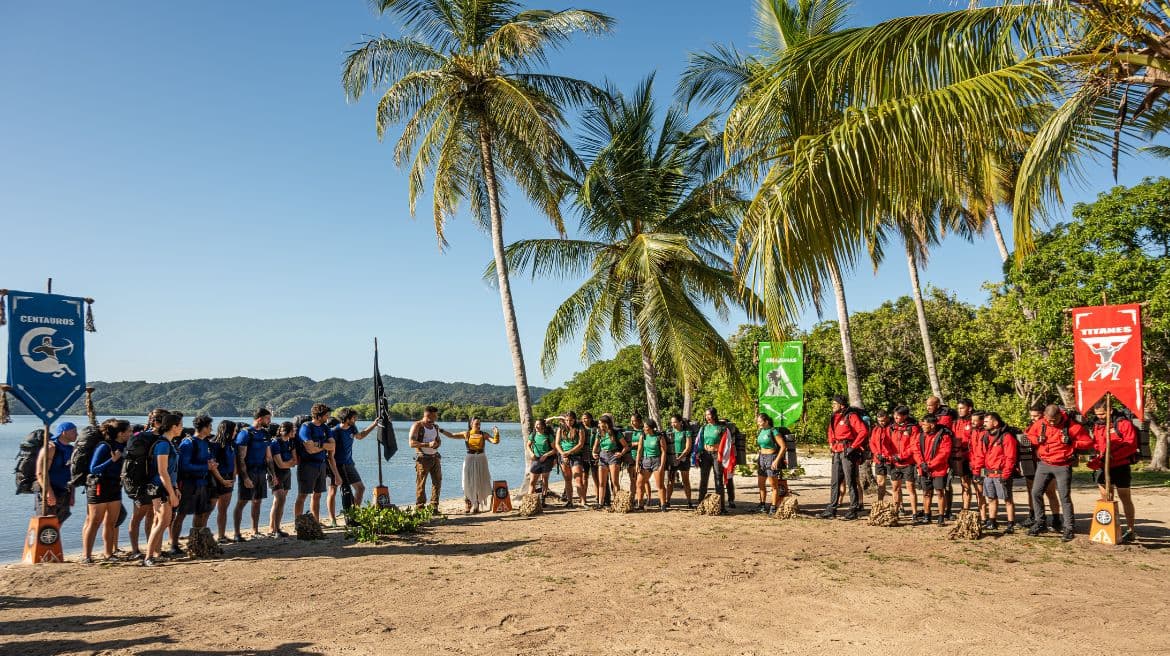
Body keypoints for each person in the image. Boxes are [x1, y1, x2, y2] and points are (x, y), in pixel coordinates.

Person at [1027, 405, 1093, 541]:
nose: (1051, 423)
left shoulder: (1072, 426)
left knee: (1064, 497)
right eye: (1049, 420)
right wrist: (1037, 440)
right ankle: (1040, 522)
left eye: (1054, 420)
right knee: (1035, 492)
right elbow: (1030, 435)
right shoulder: (1040, 423)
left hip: (1063, 465)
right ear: (1044, 416)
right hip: (1044, 463)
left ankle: (1069, 527)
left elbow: (1088, 442)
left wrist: (1072, 442)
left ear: (1060, 415)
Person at [1088, 401, 1139, 544]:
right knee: (1106, 497)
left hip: (1121, 466)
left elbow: (1131, 445)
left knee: (1125, 497)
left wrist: (1112, 456)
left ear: (1110, 410)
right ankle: (1110, 527)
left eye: (1102, 414)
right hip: (1103, 467)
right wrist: (1097, 458)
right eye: (1097, 414)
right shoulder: (1097, 425)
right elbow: (1096, 444)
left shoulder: (1123, 424)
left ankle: (1131, 529)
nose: (1100, 417)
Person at [81, 419, 131, 563]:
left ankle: (108, 554)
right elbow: (93, 469)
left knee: (111, 522)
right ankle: (86, 556)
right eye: (129, 431)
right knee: (94, 522)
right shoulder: (104, 446)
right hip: (99, 487)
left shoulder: (124, 446)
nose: (131, 433)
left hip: (115, 486)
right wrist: (112, 460)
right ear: (120, 433)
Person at [171, 414, 216, 555]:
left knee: (201, 513)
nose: (211, 429)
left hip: (202, 483)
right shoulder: (188, 443)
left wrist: (212, 465)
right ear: (203, 428)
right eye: (209, 426)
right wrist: (205, 467)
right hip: (188, 484)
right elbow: (184, 466)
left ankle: (197, 542)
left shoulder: (205, 443)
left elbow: (208, 460)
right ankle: (174, 545)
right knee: (181, 514)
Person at [818, 396, 868, 520]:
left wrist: (853, 447)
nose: (832, 405)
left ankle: (853, 509)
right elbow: (830, 431)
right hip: (836, 451)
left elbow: (863, 431)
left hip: (848, 451)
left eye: (835, 403)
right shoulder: (834, 416)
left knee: (850, 481)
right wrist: (831, 444)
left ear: (842, 405)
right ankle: (831, 509)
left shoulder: (851, 416)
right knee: (835, 481)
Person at [125, 409, 166, 559]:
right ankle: (136, 550)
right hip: (143, 482)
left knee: (151, 516)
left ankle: (151, 548)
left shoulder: (159, 437)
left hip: (154, 482)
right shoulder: (142, 437)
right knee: (139, 516)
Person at [327, 408, 379, 524]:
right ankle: (333, 519)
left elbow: (360, 436)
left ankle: (353, 516)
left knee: (360, 488)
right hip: (336, 465)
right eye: (354, 418)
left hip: (349, 463)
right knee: (334, 491)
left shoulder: (352, 428)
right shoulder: (335, 432)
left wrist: (374, 424)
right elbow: (330, 455)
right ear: (347, 419)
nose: (356, 420)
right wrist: (335, 472)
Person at [144, 413, 182, 567]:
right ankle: (148, 557)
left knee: (162, 521)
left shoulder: (169, 443)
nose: (181, 428)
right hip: (159, 488)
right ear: (173, 426)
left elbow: (172, 470)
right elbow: (162, 471)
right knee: (162, 521)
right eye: (180, 425)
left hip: (167, 486)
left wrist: (175, 487)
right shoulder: (163, 445)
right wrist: (171, 493)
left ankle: (154, 553)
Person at [971, 412, 1019, 532]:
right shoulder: (985, 436)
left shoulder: (1007, 437)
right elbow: (980, 455)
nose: (984, 424)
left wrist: (1006, 475)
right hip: (988, 474)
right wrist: (977, 472)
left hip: (1001, 473)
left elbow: (1010, 458)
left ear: (995, 423)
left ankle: (1010, 524)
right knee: (991, 498)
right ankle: (992, 521)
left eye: (987, 421)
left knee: (1007, 499)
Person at [297, 404, 343, 521]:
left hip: (321, 464)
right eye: (326, 415)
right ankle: (298, 523)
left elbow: (332, 446)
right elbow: (310, 449)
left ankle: (316, 521)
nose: (328, 417)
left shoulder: (325, 427)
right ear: (318, 416)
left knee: (317, 495)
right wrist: (324, 446)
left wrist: (318, 444)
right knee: (303, 495)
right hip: (307, 465)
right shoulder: (306, 427)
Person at [446, 418, 499, 513]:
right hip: (470, 458)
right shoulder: (466, 434)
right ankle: (468, 503)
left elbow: (495, 441)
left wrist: (496, 433)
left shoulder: (483, 434)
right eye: (476, 424)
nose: (478, 425)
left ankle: (477, 504)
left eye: (479, 424)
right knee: (468, 481)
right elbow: (451, 435)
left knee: (479, 482)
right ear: (471, 424)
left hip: (481, 458)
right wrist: (440, 430)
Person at [1022, 403, 1062, 530]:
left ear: (1043, 415)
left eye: (1036, 416)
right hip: (1031, 461)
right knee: (1032, 491)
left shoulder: (1050, 426)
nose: (1033, 418)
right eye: (1031, 416)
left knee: (1050, 491)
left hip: (1046, 461)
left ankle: (1056, 519)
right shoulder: (1031, 426)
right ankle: (1034, 516)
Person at [234, 409, 272, 539]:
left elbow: (268, 457)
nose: (269, 421)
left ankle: (254, 531)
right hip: (249, 472)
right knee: (242, 502)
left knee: (257, 501)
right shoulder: (245, 434)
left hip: (261, 471)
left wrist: (272, 474)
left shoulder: (265, 434)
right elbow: (240, 458)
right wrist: (245, 478)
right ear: (260, 419)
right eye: (267, 418)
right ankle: (237, 533)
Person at [409, 405, 456, 510]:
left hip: (435, 457)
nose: (436, 418)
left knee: (437, 482)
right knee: (421, 483)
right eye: (434, 416)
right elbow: (411, 443)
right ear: (428, 414)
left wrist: (437, 444)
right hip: (422, 458)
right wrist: (428, 444)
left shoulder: (435, 427)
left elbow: (438, 440)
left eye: (436, 415)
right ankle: (420, 507)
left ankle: (434, 506)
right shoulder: (417, 425)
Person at [33, 421, 78, 529]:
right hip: (48, 490)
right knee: (46, 525)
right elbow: (40, 472)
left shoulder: (71, 450)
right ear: (64, 432)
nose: (77, 434)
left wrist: (72, 494)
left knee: (57, 525)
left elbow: (71, 474)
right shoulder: (50, 448)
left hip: (64, 492)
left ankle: (53, 543)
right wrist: (49, 492)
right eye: (74, 431)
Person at [914, 413, 953, 526]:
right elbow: (915, 450)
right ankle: (927, 516)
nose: (922, 426)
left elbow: (944, 453)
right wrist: (921, 463)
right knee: (926, 492)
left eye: (924, 424)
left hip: (938, 469)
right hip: (924, 469)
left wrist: (930, 464)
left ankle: (941, 517)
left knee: (940, 492)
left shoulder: (944, 436)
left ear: (931, 425)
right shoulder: (920, 436)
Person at [697, 407, 735, 512]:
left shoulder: (721, 428)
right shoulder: (704, 427)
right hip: (705, 455)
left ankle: (721, 506)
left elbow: (727, 443)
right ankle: (700, 504)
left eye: (709, 414)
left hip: (716, 455)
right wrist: (698, 453)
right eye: (706, 415)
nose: (707, 417)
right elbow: (700, 441)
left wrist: (724, 456)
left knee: (718, 480)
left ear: (714, 415)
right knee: (703, 480)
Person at [889, 407, 921, 520]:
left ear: (905, 416)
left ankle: (914, 513)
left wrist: (901, 456)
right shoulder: (892, 427)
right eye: (894, 415)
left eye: (898, 415)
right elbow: (888, 443)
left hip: (908, 463)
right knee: (895, 488)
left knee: (910, 488)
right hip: (895, 463)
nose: (895, 417)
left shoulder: (913, 428)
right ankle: (896, 511)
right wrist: (891, 456)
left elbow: (914, 446)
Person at [209, 419, 238, 542]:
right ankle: (204, 535)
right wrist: (221, 480)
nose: (236, 433)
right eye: (234, 430)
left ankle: (221, 535)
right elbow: (212, 465)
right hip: (216, 479)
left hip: (228, 477)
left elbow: (234, 460)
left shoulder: (231, 444)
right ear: (228, 431)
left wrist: (234, 475)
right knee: (208, 509)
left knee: (223, 509)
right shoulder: (214, 444)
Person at [754, 413, 788, 516]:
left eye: (760, 421)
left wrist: (776, 460)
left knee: (773, 485)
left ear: (766, 421)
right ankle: (762, 505)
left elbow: (783, 446)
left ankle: (773, 507)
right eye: (758, 421)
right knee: (760, 484)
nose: (758, 423)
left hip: (771, 457)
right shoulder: (761, 431)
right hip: (762, 458)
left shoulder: (773, 431)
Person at [267, 421, 297, 536]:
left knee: (281, 501)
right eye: (293, 430)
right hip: (275, 474)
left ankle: (276, 528)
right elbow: (280, 464)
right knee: (279, 499)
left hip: (286, 473)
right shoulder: (275, 443)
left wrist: (288, 463)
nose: (295, 432)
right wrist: (289, 463)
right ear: (287, 431)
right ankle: (274, 529)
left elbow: (295, 461)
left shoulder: (290, 442)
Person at [591, 415, 627, 508]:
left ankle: (616, 503)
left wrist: (621, 454)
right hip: (603, 456)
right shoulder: (599, 432)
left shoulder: (615, 432)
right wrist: (594, 453)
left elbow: (625, 446)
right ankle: (600, 503)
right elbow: (595, 446)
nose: (598, 425)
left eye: (600, 423)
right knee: (601, 482)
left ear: (605, 423)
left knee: (615, 482)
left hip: (613, 455)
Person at [949, 399, 978, 517]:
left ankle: (983, 512)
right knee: (964, 484)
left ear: (969, 408)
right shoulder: (956, 422)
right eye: (958, 408)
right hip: (961, 458)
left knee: (978, 486)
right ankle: (965, 509)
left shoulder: (974, 421)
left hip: (974, 458)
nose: (959, 410)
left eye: (962, 408)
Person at [554, 411, 587, 508]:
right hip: (563, 456)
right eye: (567, 420)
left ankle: (583, 501)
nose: (568, 422)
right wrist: (563, 454)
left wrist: (569, 452)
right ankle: (569, 501)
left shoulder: (579, 428)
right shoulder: (561, 428)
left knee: (578, 479)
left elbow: (581, 444)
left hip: (576, 455)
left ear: (574, 420)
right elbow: (557, 443)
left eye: (571, 420)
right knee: (567, 480)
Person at [635, 418, 669, 511]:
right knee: (639, 483)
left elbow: (664, 452)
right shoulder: (643, 436)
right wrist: (637, 464)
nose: (644, 428)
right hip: (646, 461)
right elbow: (639, 451)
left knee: (659, 485)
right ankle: (640, 504)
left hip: (656, 461)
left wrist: (662, 465)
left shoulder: (659, 437)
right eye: (644, 427)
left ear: (651, 428)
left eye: (646, 427)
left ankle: (663, 505)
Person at [666, 414, 693, 509]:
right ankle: (667, 501)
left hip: (684, 458)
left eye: (675, 422)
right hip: (672, 458)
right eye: (671, 422)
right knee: (670, 480)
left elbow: (688, 447)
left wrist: (680, 457)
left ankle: (689, 502)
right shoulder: (669, 432)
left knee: (685, 480)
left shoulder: (686, 432)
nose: (673, 424)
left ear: (680, 422)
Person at [868, 410, 895, 502]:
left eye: (883, 420)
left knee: (895, 483)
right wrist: (876, 454)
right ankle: (880, 503)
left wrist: (890, 455)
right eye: (879, 421)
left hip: (890, 459)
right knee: (880, 482)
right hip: (879, 459)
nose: (881, 422)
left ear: (887, 418)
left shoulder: (893, 428)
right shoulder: (876, 429)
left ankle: (899, 505)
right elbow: (872, 443)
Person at [526, 418, 557, 496]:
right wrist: (531, 453)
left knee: (544, 480)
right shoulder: (533, 435)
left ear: (543, 426)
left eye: (538, 424)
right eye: (535, 424)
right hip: (536, 460)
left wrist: (546, 455)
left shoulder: (548, 436)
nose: (536, 426)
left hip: (547, 460)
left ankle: (543, 497)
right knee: (532, 481)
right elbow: (528, 445)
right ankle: (530, 497)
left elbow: (555, 449)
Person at [580, 412, 600, 505]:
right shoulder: (580, 427)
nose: (585, 420)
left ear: (591, 419)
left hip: (593, 452)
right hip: (583, 453)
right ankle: (583, 498)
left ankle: (598, 496)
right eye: (583, 418)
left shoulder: (595, 428)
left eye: (586, 418)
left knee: (595, 476)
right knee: (584, 476)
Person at [623, 413, 645, 498]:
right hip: (630, 457)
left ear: (639, 421)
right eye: (631, 421)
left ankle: (647, 498)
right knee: (632, 479)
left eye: (634, 421)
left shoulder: (644, 431)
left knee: (643, 480)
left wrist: (635, 444)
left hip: (641, 457)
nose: (632, 422)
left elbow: (646, 442)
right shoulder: (628, 431)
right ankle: (632, 498)